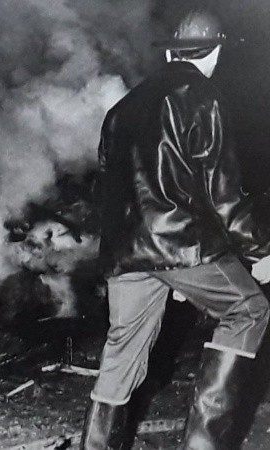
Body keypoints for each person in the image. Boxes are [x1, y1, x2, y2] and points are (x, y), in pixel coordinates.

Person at [84, 11, 270, 449]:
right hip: (180, 242)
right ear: (216, 52)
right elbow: (222, 194)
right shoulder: (203, 97)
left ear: (170, 53)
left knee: (122, 350)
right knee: (249, 311)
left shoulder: (121, 108)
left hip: (125, 251)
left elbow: (105, 188)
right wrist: (261, 249)